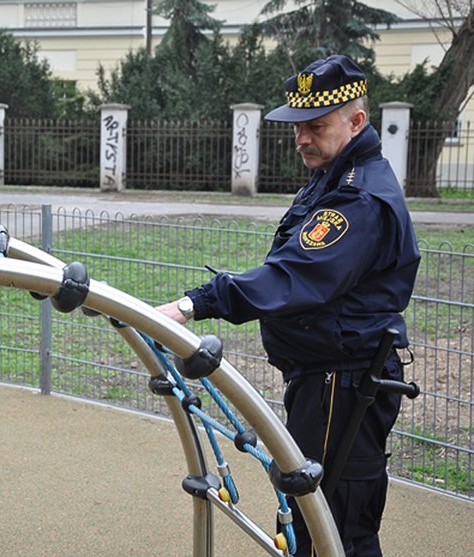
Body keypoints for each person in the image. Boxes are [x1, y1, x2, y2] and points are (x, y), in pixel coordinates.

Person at [156, 55, 420, 556]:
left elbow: (294, 276)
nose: (301, 138)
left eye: (315, 126)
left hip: (341, 384)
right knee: (313, 517)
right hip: (323, 378)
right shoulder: (334, 173)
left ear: (356, 121)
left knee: (335, 526)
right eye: (298, 126)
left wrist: (193, 304)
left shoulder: (359, 198)